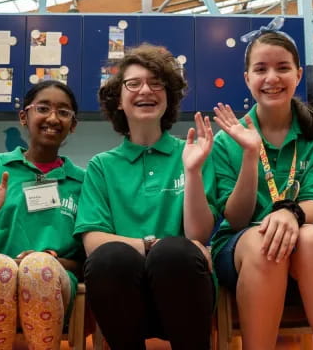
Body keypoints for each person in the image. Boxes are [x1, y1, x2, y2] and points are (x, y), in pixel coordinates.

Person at [210, 17, 313, 349]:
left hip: (300, 240)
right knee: (264, 245)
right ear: (247, 79)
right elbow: (237, 218)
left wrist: (290, 214)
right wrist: (249, 154)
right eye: (260, 69)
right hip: (240, 247)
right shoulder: (227, 140)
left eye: (283, 68)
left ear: (298, 74)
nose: (272, 78)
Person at [74, 44, 218, 350]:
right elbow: (93, 242)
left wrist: (192, 172)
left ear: (169, 98)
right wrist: (150, 245)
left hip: (185, 293)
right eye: (134, 83)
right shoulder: (102, 166)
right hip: (123, 299)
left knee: (175, 253)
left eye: (156, 83)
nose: (146, 91)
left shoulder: (191, 153)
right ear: (119, 102)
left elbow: (198, 235)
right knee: (111, 257)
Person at [0, 80, 85, 350]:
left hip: (55, 282)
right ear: (24, 116)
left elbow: (87, 262)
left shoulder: (82, 181)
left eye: (63, 112)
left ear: (73, 124)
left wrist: (51, 261)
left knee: (37, 267)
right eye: (43, 108)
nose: (52, 118)